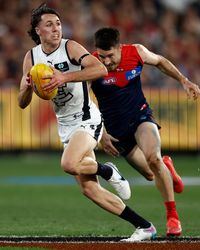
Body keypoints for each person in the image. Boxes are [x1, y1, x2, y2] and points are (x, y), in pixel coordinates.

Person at [18, 4, 157, 242]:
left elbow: (100, 68)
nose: (56, 28)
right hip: (65, 125)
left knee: (69, 164)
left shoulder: (70, 47)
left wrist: (65, 76)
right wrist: (29, 87)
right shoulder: (31, 57)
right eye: (49, 24)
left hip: (86, 118)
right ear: (37, 29)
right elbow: (22, 102)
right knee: (89, 189)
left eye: (58, 23)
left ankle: (107, 170)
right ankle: (145, 227)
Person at [91, 27, 200, 237]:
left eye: (110, 56)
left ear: (119, 47)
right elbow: (85, 101)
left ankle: (173, 217)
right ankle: (167, 165)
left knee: (153, 158)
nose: (105, 62)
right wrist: (102, 133)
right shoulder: (92, 64)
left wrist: (183, 80)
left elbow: (160, 61)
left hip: (141, 117)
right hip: (115, 131)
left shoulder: (136, 52)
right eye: (102, 56)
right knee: (151, 174)